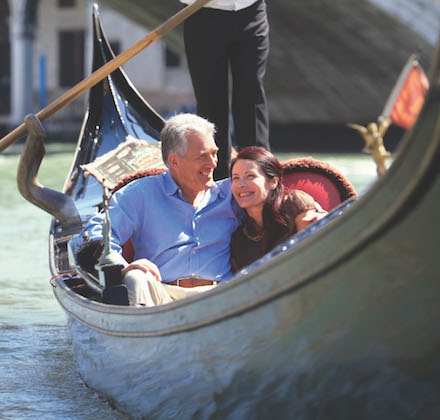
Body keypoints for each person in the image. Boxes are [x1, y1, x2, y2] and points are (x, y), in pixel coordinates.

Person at [75, 114, 322, 306]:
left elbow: (272, 194)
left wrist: (305, 209)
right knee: (136, 278)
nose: (213, 163)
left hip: (220, 295)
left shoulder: (232, 193)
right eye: (203, 156)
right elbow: (95, 235)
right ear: (174, 161)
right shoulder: (140, 194)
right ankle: (141, 357)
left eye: (215, 154)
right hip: (161, 294)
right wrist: (123, 266)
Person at [180, 0, 271, 180]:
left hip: (251, 9)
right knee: (211, 102)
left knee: (251, 96)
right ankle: (216, 178)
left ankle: (260, 174)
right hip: (203, 14)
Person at [229, 146, 323, 273]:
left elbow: (312, 253)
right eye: (236, 178)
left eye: (250, 176)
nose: (241, 184)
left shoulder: (294, 204)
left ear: (273, 182)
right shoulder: (239, 238)